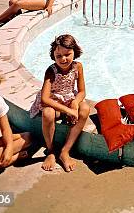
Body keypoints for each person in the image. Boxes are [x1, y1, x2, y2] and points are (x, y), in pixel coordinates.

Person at [29, 34, 90, 172]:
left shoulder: (78, 66)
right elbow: (45, 99)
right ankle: (51, 151)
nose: (63, 59)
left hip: (68, 99)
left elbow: (82, 92)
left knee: (85, 109)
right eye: (58, 56)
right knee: (48, 113)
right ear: (53, 56)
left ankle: (65, 151)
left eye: (67, 54)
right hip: (53, 103)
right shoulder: (51, 71)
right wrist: (68, 111)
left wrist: (74, 103)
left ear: (75, 51)